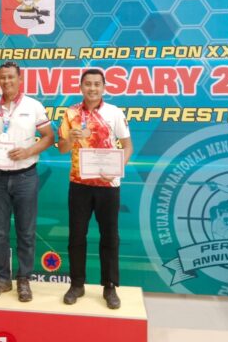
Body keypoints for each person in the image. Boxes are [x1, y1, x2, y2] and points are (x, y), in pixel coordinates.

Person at [0, 61, 54, 302]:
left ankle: (24, 280)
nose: (6, 81)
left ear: (20, 79)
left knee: (26, 232)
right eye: (2, 77)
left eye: (11, 77)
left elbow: (49, 137)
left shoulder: (33, 106)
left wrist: (28, 151)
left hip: (25, 176)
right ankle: (2, 279)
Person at [57, 69, 133, 309]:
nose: (92, 88)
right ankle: (76, 284)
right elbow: (61, 148)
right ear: (81, 87)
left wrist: (117, 168)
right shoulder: (71, 113)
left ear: (103, 87)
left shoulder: (114, 112)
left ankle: (109, 287)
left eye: (97, 84)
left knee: (109, 236)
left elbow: (128, 146)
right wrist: (71, 139)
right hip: (79, 184)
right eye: (88, 84)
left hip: (108, 185)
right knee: (76, 236)